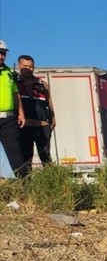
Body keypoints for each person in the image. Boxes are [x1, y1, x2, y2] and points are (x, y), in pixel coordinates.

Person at [15, 55, 53, 177]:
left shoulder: (42, 84)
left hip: (42, 125)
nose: (28, 69)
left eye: (31, 66)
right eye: (25, 66)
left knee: (46, 157)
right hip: (24, 126)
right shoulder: (14, 83)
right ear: (19, 66)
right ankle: (27, 187)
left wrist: (53, 118)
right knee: (26, 158)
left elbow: (50, 102)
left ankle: (50, 182)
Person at [0, 41, 27, 177]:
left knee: (15, 153)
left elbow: (16, 95)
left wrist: (21, 114)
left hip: (8, 120)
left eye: (3, 54)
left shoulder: (10, 73)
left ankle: (26, 189)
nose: (1, 56)